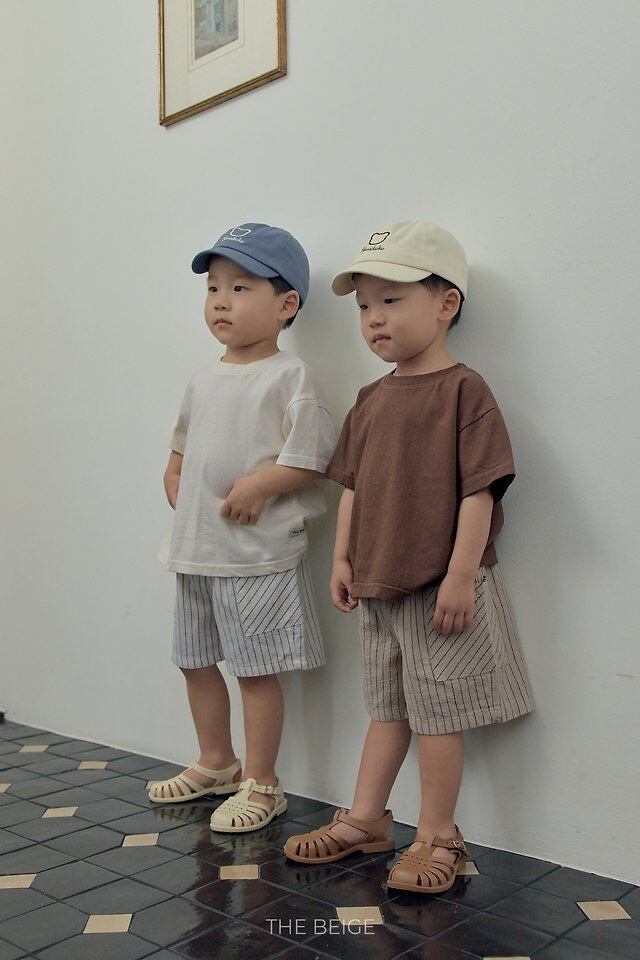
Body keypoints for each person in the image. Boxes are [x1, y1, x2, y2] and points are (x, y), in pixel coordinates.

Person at [284, 220, 534, 892]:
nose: (373, 318)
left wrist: (461, 575)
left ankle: (437, 835)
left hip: (438, 587)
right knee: (387, 708)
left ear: (445, 303)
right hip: (379, 585)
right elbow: (354, 490)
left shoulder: (464, 391)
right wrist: (342, 559)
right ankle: (367, 819)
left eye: (391, 300)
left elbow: (479, 490)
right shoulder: (371, 399)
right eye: (365, 305)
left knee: (440, 715)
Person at [151, 223, 337, 833]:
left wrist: (260, 485)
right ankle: (216, 761)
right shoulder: (202, 376)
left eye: (240, 287)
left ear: (286, 305)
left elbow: (313, 456)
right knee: (194, 659)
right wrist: (173, 472)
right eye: (213, 288)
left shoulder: (289, 376)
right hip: (196, 550)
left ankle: (263, 782)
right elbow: (182, 443)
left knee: (255, 669)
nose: (221, 302)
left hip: (255, 555)